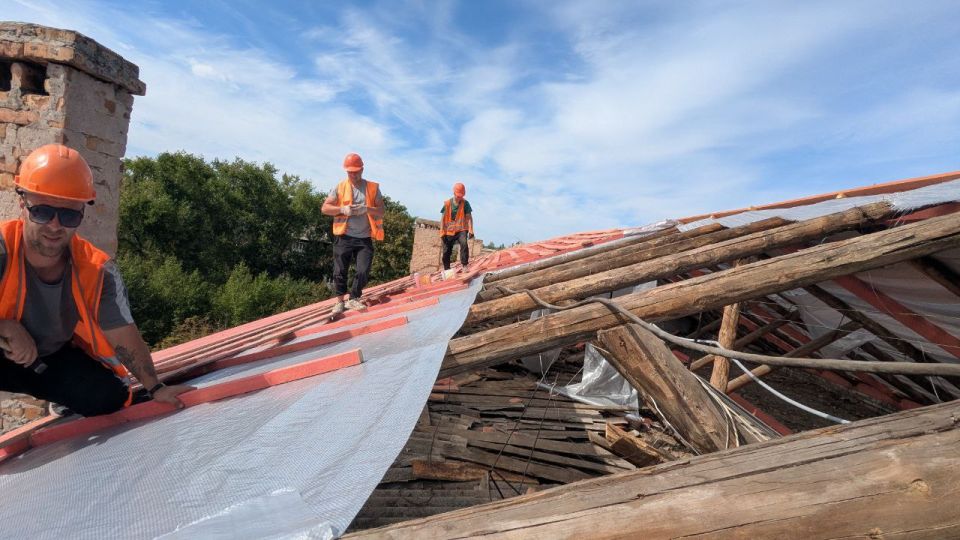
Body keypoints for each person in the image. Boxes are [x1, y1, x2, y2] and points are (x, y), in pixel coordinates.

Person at [0, 144, 193, 417]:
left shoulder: (97, 270)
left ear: (82, 213)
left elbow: (123, 334)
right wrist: (6, 327)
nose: (55, 226)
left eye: (69, 215)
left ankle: (65, 402)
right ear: (23, 203)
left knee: (108, 397)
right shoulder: (2, 249)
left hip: (47, 358)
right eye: (42, 212)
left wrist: (156, 387)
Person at [321, 153, 385, 317]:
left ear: (362, 169)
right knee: (339, 270)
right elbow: (325, 208)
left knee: (363, 270)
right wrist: (342, 209)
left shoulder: (372, 188)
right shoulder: (340, 187)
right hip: (345, 236)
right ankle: (339, 301)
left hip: (364, 238)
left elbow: (381, 210)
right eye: (350, 172)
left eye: (356, 171)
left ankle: (354, 297)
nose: (353, 175)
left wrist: (367, 209)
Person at [440, 182, 474, 271]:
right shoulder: (447, 204)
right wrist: (442, 231)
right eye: (458, 195)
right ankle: (447, 269)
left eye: (461, 195)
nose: (459, 197)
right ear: (454, 193)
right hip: (449, 231)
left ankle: (465, 265)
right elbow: (442, 219)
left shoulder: (465, 204)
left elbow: (469, 218)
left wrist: (471, 230)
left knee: (464, 243)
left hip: (461, 229)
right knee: (446, 251)